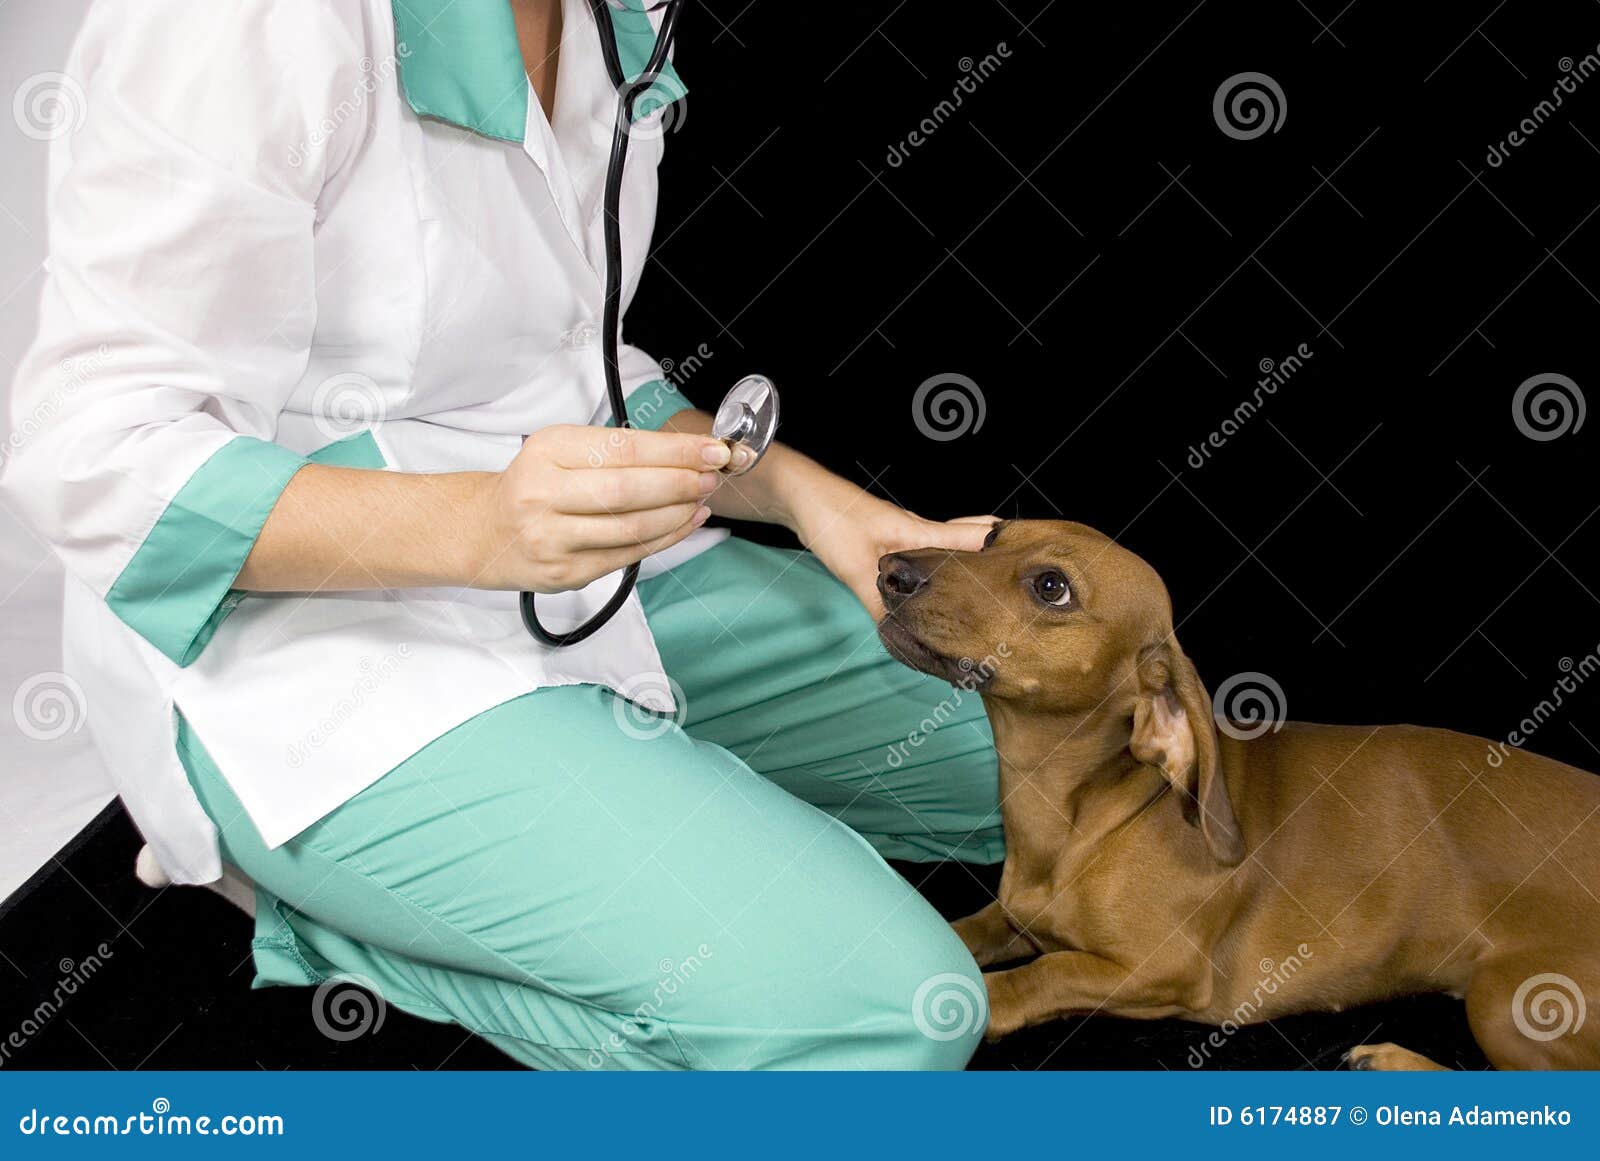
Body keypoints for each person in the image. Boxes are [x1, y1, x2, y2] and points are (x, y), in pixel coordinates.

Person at [2, 0, 1003, 1068]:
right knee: (883, 1011)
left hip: (582, 559)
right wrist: (480, 526)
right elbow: (91, 457)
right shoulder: (245, 22)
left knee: (1089, 750)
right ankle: (319, 907)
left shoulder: (618, 10)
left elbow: (560, 367)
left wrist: (805, 497)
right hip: (286, 652)